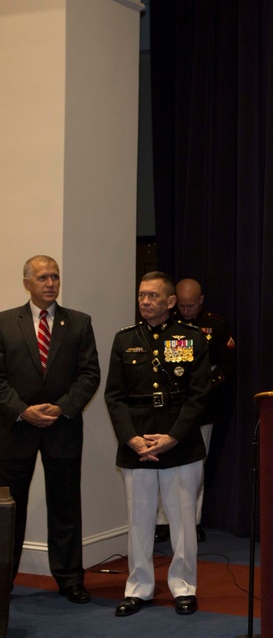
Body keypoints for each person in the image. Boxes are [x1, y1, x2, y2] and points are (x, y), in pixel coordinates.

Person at [104, 272, 211, 617]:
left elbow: (198, 396)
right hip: (138, 442)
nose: (145, 301)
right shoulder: (124, 340)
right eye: (141, 295)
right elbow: (115, 397)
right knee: (139, 520)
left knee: (182, 521)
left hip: (178, 441)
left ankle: (183, 587)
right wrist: (131, 438)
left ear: (170, 302)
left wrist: (172, 437)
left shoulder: (191, 338)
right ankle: (139, 588)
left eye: (152, 296)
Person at [0, 256, 100, 604]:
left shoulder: (79, 323)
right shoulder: (3, 323)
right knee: (9, 510)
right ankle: (2, 581)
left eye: (55, 276)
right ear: (26, 282)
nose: (50, 283)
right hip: (15, 431)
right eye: (42, 277)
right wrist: (22, 411)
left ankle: (70, 579)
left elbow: (89, 375)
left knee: (65, 506)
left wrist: (63, 407)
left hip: (63, 427)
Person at [153, 278, 235, 544]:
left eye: (191, 305)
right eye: (182, 305)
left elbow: (226, 366)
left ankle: (193, 521)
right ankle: (163, 522)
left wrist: (202, 388)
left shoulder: (217, 326)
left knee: (195, 467)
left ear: (201, 301)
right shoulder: (167, 326)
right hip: (169, 407)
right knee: (164, 464)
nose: (186, 311)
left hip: (203, 407)